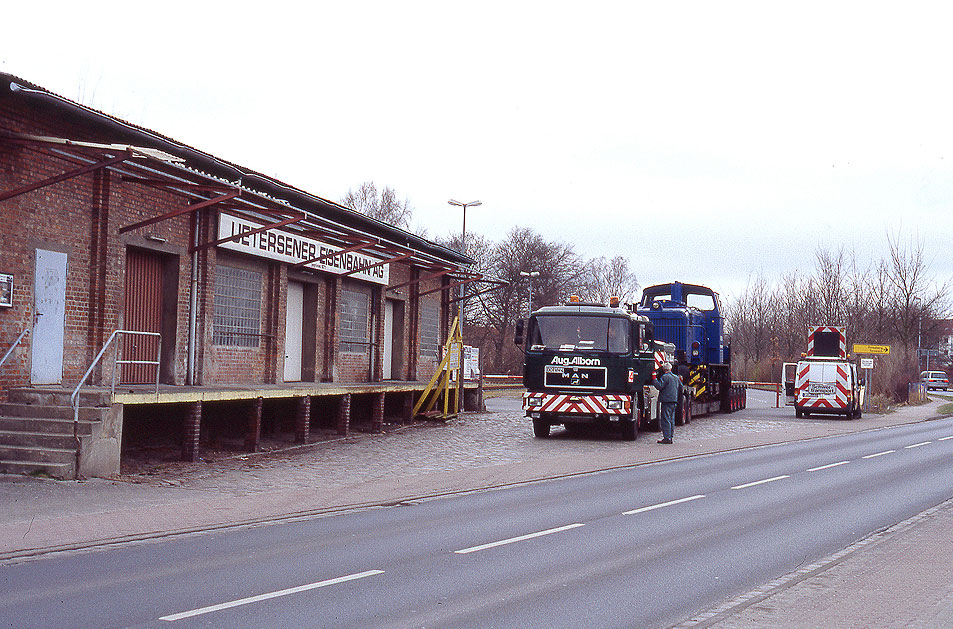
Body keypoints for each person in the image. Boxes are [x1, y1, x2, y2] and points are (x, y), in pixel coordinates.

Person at [652, 362, 681, 444]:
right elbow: (681, 388)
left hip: (666, 401)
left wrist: (654, 378)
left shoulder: (665, 377)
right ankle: (670, 437)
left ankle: (667, 438)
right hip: (674, 401)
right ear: (670, 369)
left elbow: (659, 386)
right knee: (671, 419)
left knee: (665, 419)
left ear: (664, 370)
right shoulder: (676, 377)